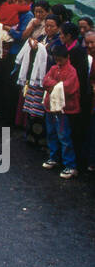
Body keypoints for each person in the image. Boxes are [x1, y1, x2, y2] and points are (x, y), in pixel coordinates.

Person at [42, 42, 80, 178]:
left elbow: (69, 88)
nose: (58, 62)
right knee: (52, 133)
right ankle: (54, 157)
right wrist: (58, 85)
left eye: (60, 59)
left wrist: (55, 85)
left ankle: (70, 164)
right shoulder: (53, 68)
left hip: (63, 110)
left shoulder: (71, 71)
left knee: (64, 136)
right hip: (52, 108)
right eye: (56, 59)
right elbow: (45, 81)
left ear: (66, 57)